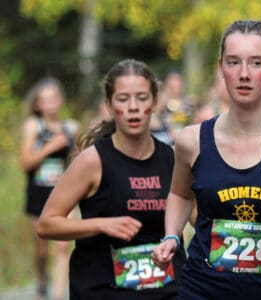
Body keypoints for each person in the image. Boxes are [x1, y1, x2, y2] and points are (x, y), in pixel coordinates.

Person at [152, 20, 261, 299]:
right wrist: (171, 235)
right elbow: (180, 194)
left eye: (255, 63)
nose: (243, 74)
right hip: (200, 290)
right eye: (233, 62)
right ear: (221, 68)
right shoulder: (192, 140)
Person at [36, 59, 186, 299]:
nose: (133, 107)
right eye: (123, 99)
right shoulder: (92, 161)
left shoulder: (174, 159)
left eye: (142, 98)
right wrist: (101, 224)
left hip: (166, 291)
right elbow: (46, 224)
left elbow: (201, 216)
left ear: (155, 102)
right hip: (104, 290)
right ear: (109, 104)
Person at [19, 77, 80, 300]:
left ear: (61, 101)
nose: (51, 103)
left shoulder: (71, 127)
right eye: (45, 100)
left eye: (54, 98)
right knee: (42, 248)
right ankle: (42, 277)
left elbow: (76, 163)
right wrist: (50, 147)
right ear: (37, 105)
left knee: (63, 246)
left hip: (63, 193)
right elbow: (25, 163)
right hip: (38, 192)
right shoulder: (33, 126)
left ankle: (57, 295)